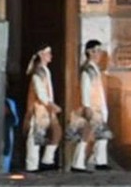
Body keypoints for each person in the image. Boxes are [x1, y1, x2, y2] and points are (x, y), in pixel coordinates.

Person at [66, 39, 112, 173]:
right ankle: (78, 163)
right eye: (96, 51)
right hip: (92, 107)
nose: (99, 54)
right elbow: (85, 88)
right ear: (89, 52)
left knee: (102, 135)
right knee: (85, 135)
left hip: (98, 107)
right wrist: (86, 106)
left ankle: (100, 161)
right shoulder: (87, 70)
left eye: (99, 51)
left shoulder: (95, 69)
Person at [23, 44, 62, 172]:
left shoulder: (45, 70)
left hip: (46, 109)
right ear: (41, 55)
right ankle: (32, 165)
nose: (50, 55)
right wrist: (51, 104)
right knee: (36, 137)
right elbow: (41, 93)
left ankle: (47, 159)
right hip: (39, 108)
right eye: (48, 53)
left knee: (56, 132)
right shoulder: (37, 72)